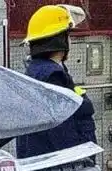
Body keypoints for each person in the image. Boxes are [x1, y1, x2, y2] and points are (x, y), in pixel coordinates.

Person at [16, 4, 96, 157]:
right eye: (68, 35)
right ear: (60, 40)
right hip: (65, 169)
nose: (70, 41)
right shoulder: (52, 76)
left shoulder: (36, 72)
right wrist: (81, 161)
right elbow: (63, 134)